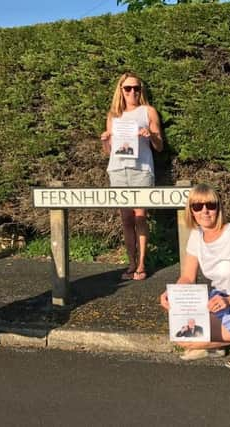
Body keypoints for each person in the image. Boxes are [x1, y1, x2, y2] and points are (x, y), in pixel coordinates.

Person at [160, 183, 230, 371]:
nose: (205, 211)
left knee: (191, 341)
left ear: (219, 208)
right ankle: (221, 344)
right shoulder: (196, 235)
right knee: (182, 336)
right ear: (191, 211)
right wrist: (174, 295)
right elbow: (187, 276)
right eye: (197, 206)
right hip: (217, 301)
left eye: (210, 205)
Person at [100, 73, 163, 281]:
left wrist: (150, 135)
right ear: (121, 90)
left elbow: (160, 146)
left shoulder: (148, 112)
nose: (132, 92)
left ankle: (142, 263)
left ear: (141, 90)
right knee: (126, 219)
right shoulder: (113, 116)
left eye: (136, 88)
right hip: (118, 170)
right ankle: (131, 262)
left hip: (141, 169)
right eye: (128, 88)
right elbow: (109, 152)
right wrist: (105, 140)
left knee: (140, 216)